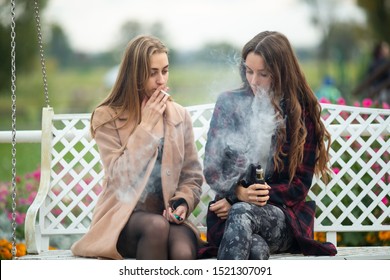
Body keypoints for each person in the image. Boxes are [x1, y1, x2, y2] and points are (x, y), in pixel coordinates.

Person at [198, 31, 337, 259]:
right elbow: (212, 170)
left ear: (281, 73)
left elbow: (299, 185)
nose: (253, 81)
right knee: (255, 249)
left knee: (243, 212)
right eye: (249, 71)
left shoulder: (300, 113)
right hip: (229, 218)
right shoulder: (229, 103)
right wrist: (237, 192)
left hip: (282, 217)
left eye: (263, 74)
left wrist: (241, 199)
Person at [71, 35, 203, 260]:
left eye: (165, 70)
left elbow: (192, 176)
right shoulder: (108, 117)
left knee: (182, 251)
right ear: (134, 74)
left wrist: (183, 202)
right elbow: (119, 177)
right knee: (155, 227)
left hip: (167, 217)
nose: (161, 80)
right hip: (123, 220)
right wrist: (146, 128)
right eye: (153, 73)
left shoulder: (179, 115)